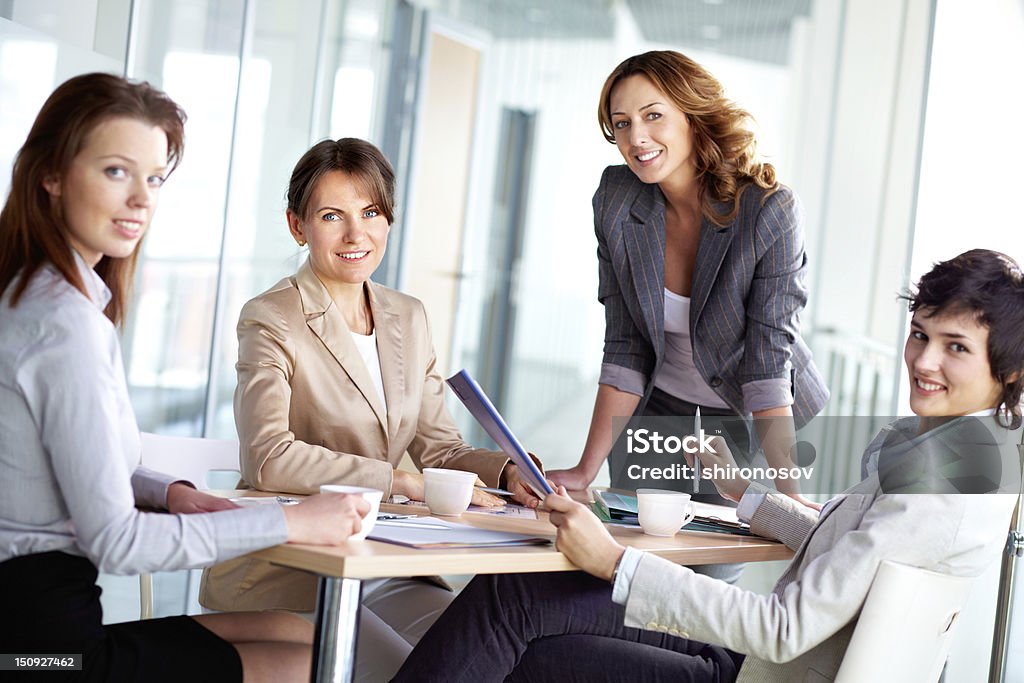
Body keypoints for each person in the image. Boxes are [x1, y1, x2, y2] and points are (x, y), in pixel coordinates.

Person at [393, 248, 1023, 682]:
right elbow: (848, 552)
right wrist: (745, 494)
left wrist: (612, 559)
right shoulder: (966, 454)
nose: (924, 361)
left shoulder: (943, 484)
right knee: (519, 597)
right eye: (920, 335)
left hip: (765, 666)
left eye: (956, 348)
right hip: (764, 664)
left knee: (522, 624)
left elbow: (784, 629)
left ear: (1010, 373)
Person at [0, 73, 371, 683]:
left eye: (152, 178)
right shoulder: (62, 324)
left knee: (294, 631)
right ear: (52, 175)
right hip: (38, 654)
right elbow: (118, 544)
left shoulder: (40, 295)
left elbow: (57, 463)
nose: (141, 199)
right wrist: (293, 522)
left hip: (35, 627)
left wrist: (166, 490)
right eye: (116, 172)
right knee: (307, 663)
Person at [199, 137, 544, 682]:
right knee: (422, 671)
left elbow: (441, 449)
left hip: (386, 563)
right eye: (332, 215)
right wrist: (401, 483)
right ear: (298, 226)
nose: (356, 235)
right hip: (297, 569)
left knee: (492, 657)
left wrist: (506, 472)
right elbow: (269, 458)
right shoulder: (270, 317)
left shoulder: (407, 315)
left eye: (371, 213)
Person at [547, 51, 829, 509]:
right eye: (621, 123)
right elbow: (625, 344)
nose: (637, 137)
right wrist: (585, 469)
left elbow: (767, 365)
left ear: (694, 118)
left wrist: (789, 496)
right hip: (661, 405)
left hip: (749, 413)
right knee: (631, 554)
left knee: (716, 563)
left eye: (653, 115)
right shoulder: (617, 200)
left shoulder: (767, 211)